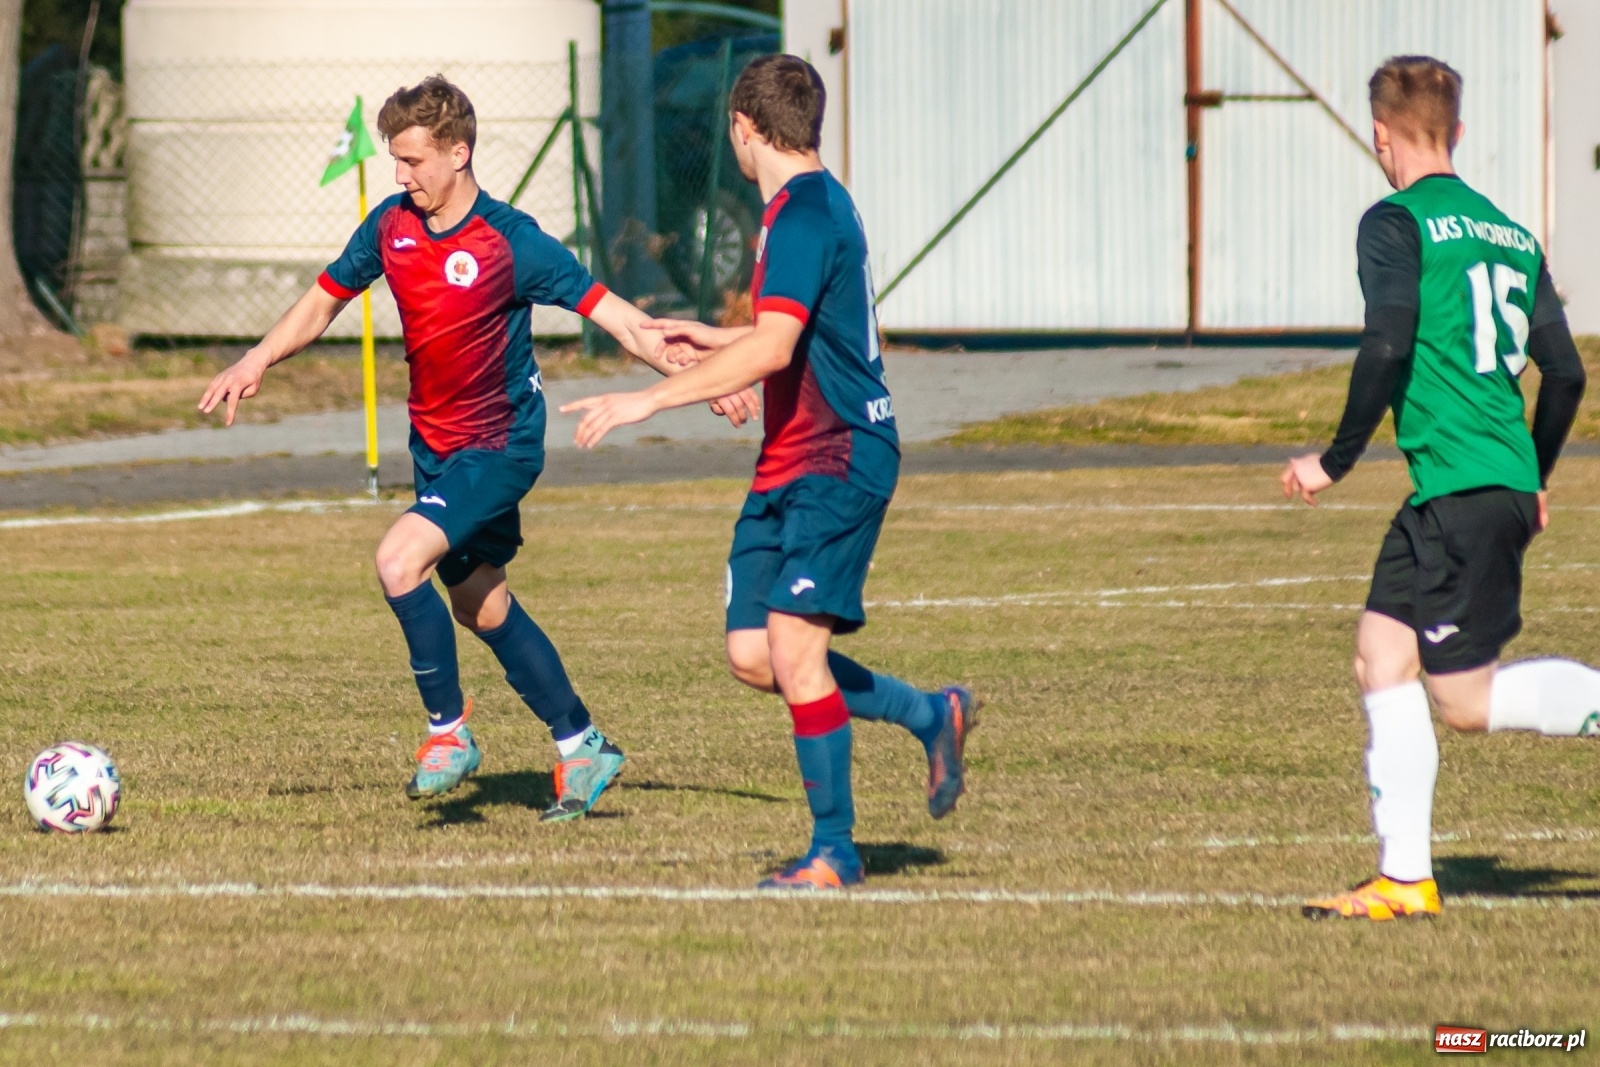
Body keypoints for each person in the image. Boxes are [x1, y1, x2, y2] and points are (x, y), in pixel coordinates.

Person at [198, 76, 756, 820]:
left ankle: (448, 734)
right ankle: (583, 744)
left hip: (498, 446)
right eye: (396, 160)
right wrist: (257, 358)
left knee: (398, 560)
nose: (402, 176)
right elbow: (324, 299)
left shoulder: (511, 240)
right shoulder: (390, 226)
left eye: (413, 161)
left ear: (458, 153)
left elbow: (620, 318)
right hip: (434, 448)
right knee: (480, 603)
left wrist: (696, 376)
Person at [561, 55, 977, 890]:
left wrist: (649, 399)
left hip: (840, 452)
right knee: (755, 654)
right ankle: (932, 712)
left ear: (743, 128)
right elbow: (797, 332)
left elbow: (777, 348)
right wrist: (715, 339)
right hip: (790, 454)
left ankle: (834, 851)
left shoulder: (804, 214)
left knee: (793, 647)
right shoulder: (800, 206)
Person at [1282, 56, 1592, 921]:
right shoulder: (1511, 234)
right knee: (1380, 655)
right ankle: (1406, 878)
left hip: (1459, 491)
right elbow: (1566, 374)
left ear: (1381, 136)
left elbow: (1386, 345)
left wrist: (1334, 460)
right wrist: (1533, 475)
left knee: (1463, 699)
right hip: (1469, 490)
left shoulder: (1395, 223)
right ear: (1456, 131)